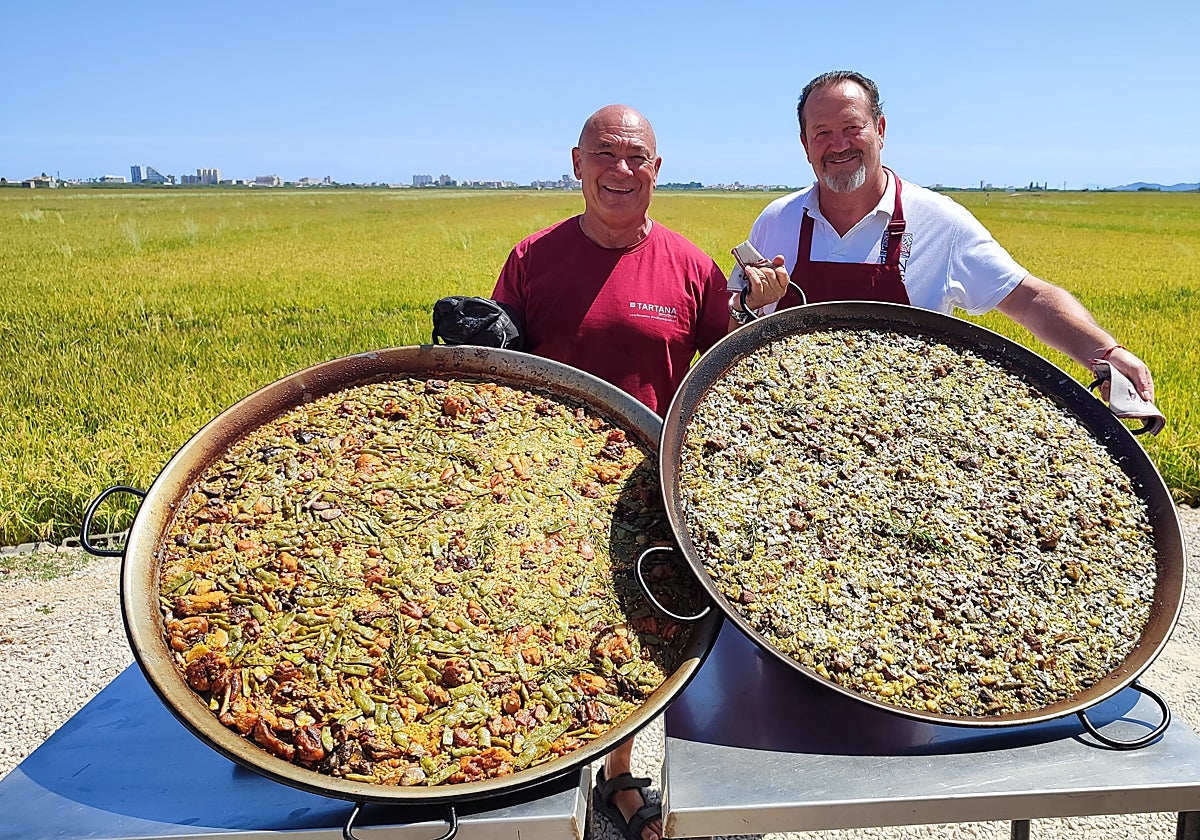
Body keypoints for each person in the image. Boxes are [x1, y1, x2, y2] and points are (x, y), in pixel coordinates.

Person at [491, 104, 728, 840]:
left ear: (656, 169)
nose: (620, 170)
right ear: (576, 163)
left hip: (647, 485)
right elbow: (498, 360)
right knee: (540, 621)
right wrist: (478, 334)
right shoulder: (533, 257)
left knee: (636, 631)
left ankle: (617, 771)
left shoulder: (692, 267)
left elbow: (729, 373)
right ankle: (534, 760)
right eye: (604, 154)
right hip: (544, 481)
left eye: (636, 158)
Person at [734, 70, 1154, 401]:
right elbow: (736, 314)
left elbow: (1027, 299)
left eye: (852, 127)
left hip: (912, 436)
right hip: (793, 428)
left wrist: (1105, 352)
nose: (838, 144)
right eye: (822, 132)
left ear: (880, 129)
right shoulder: (777, 221)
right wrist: (748, 304)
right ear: (805, 144)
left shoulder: (940, 223)